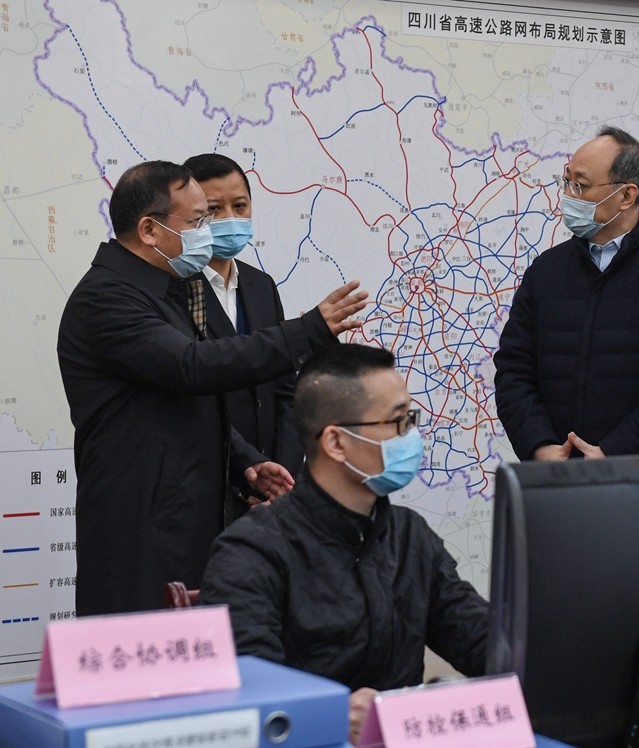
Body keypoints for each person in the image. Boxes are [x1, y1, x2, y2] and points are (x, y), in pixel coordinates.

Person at [57, 160, 368, 616]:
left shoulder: (165, 288)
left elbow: (187, 400)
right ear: (149, 230)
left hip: (186, 517)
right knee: (145, 651)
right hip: (140, 528)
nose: (210, 232)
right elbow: (191, 367)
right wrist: (308, 331)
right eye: (199, 220)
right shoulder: (107, 297)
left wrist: (245, 462)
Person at [200, 344, 489, 745]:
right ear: (336, 442)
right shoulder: (252, 552)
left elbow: (481, 640)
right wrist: (332, 715)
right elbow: (250, 703)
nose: (411, 436)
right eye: (398, 422)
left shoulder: (410, 536)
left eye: (411, 419)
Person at [493, 126, 639, 460]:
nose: (568, 195)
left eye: (580, 185)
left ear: (626, 196)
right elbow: (513, 369)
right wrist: (539, 446)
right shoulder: (546, 271)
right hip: (557, 471)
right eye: (566, 182)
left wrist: (614, 451)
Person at [184, 153, 304, 519]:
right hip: (207, 493)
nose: (230, 219)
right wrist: (247, 475)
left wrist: (280, 479)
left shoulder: (261, 285)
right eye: (214, 209)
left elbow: (285, 390)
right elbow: (194, 402)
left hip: (273, 498)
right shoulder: (174, 290)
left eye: (240, 206)